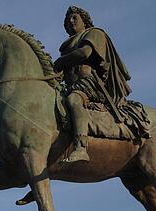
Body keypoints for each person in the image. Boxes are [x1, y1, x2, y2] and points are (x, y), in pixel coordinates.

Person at [54, 5, 149, 162]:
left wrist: (61, 61)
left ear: (84, 21)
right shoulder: (66, 47)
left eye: (74, 18)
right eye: (67, 21)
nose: (70, 22)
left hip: (92, 84)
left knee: (73, 100)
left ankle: (81, 147)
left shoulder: (94, 33)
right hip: (72, 86)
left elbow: (85, 53)